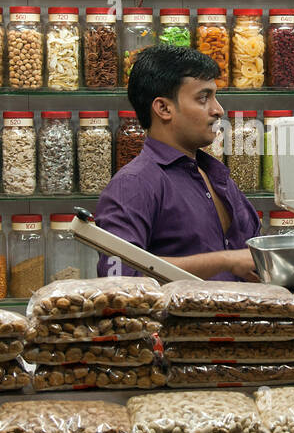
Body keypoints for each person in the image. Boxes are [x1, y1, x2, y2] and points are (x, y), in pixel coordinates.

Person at [94, 45, 261, 281]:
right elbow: (118, 276)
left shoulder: (215, 174)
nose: (218, 110)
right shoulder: (133, 185)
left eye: (215, 96)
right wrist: (226, 261)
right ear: (163, 108)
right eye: (203, 98)